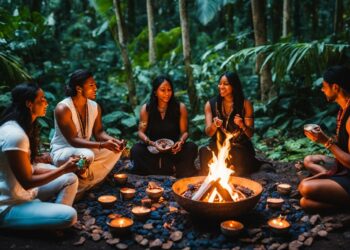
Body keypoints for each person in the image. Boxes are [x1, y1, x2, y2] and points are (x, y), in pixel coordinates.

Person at [0, 83, 78, 230]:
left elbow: (29, 169)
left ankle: (48, 218)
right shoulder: (15, 135)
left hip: (23, 193)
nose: (46, 102)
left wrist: (65, 169)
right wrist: (62, 169)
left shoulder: (18, 126)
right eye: (42, 99)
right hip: (8, 205)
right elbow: (27, 182)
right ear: (29, 104)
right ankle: (50, 219)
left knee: (71, 178)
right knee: (69, 216)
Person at [50, 69, 123, 195]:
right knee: (87, 156)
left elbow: (99, 133)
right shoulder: (63, 108)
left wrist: (113, 141)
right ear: (79, 88)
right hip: (63, 151)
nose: (96, 88)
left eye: (95, 84)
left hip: (85, 149)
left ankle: (82, 183)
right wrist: (101, 145)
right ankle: (82, 184)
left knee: (115, 151)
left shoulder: (95, 106)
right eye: (91, 85)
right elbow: (73, 140)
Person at [300, 65, 350, 211]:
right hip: (342, 167)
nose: (322, 90)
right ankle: (329, 180)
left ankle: (336, 191)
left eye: (324, 86)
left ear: (335, 87)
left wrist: (326, 142)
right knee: (309, 160)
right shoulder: (343, 108)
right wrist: (325, 137)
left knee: (305, 189)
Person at [130, 75, 198, 178]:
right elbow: (140, 131)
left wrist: (180, 142)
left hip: (173, 149)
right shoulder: (146, 109)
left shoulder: (180, 107)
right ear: (155, 92)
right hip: (153, 149)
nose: (167, 93)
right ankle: (170, 169)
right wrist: (149, 142)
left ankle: (161, 170)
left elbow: (185, 132)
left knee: (191, 147)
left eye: (169, 90)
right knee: (136, 150)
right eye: (163, 90)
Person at [199, 72, 260, 176]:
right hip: (218, 145)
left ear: (234, 86)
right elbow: (208, 133)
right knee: (204, 152)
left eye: (225, 84)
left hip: (239, 147)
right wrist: (214, 125)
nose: (221, 86)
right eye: (220, 83)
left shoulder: (245, 104)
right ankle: (215, 179)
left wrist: (242, 125)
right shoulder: (210, 104)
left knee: (237, 156)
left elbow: (250, 134)